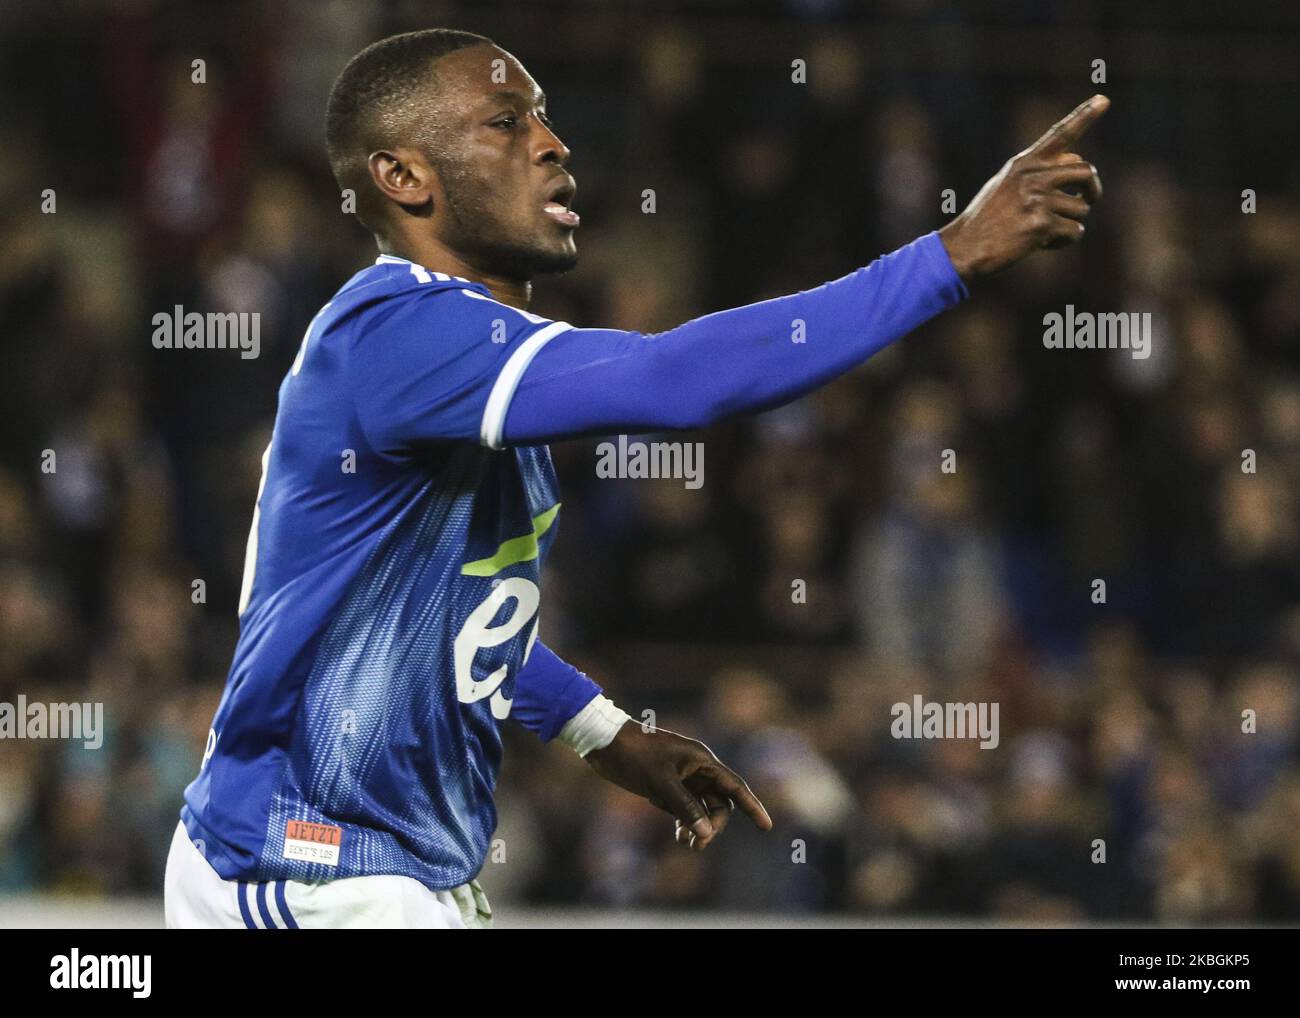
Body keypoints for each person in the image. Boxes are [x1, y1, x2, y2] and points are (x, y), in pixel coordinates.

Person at [164, 28, 1106, 928]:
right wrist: (949, 255)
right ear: (403, 176)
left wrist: (603, 731)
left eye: (541, 116)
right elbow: (677, 378)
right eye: (507, 123)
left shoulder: (471, 371)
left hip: (375, 869)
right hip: (302, 865)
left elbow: (441, 617)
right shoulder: (398, 333)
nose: (552, 143)